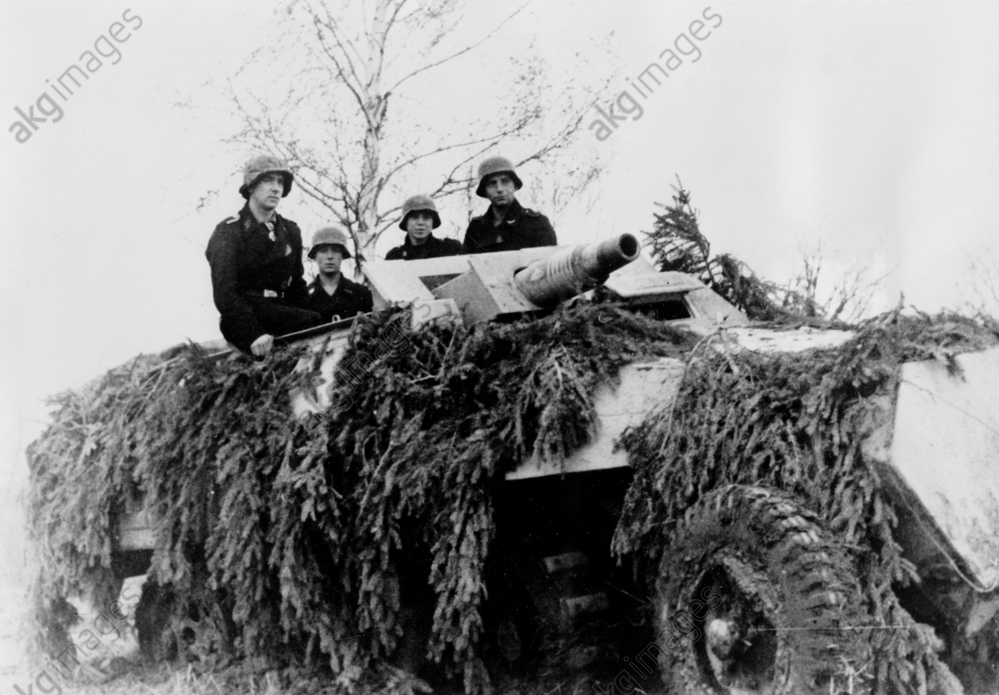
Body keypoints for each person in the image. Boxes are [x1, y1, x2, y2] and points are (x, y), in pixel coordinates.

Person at [206, 155, 322, 357]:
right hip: (245, 318)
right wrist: (253, 334)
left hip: (280, 310)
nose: (276, 188)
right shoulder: (229, 232)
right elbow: (225, 294)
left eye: (280, 182)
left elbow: (297, 285)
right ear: (250, 186)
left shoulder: (290, 231)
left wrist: (310, 323)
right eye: (268, 180)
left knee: (317, 322)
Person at [461, 156, 557, 254]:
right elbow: (466, 265)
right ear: (485, 191)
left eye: (505, 181)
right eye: (492, 183)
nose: (499, 189)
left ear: (515, 186)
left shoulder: (536, 223)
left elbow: (548, 264)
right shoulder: (476, 228)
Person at [307, 226, 374, 322]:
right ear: (314, 256)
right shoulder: (304, 296)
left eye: (335, 251)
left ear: (343, 255)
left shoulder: (360, 293)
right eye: (323, 251)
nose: (330, 256)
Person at [385, 195, 462, 260]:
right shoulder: (395, 256)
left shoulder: (449, 249)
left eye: (426, 217)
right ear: (405, 222)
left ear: (433, 222)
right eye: (414, 217)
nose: (421, 222)